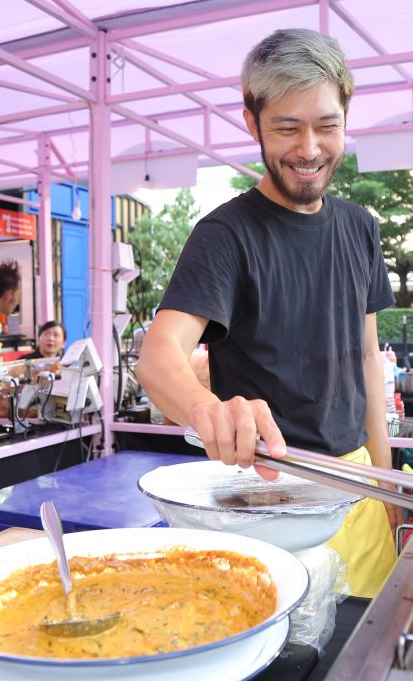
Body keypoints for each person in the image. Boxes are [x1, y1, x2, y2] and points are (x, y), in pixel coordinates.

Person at [137, 29, 397, 598]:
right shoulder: (225, 235)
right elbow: (158, 357)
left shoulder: (361, 228)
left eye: (327, 126)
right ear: (252, 123)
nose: (309, 148)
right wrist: (208, 408)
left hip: (358, 483)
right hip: (267, 495)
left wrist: (386, 485)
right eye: (286, 127)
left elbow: (368, 365)